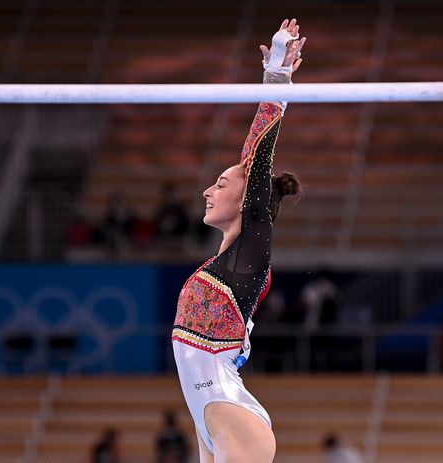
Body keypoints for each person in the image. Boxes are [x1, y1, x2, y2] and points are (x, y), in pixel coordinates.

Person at [171, 19, 305, 463]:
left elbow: (257, 154)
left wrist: (276, 77)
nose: (208, 191)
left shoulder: (251, 248)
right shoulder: (226, 262)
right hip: (210, 413)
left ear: (248, 194)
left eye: (220, 183)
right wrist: (200, 429)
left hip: (228, 412)